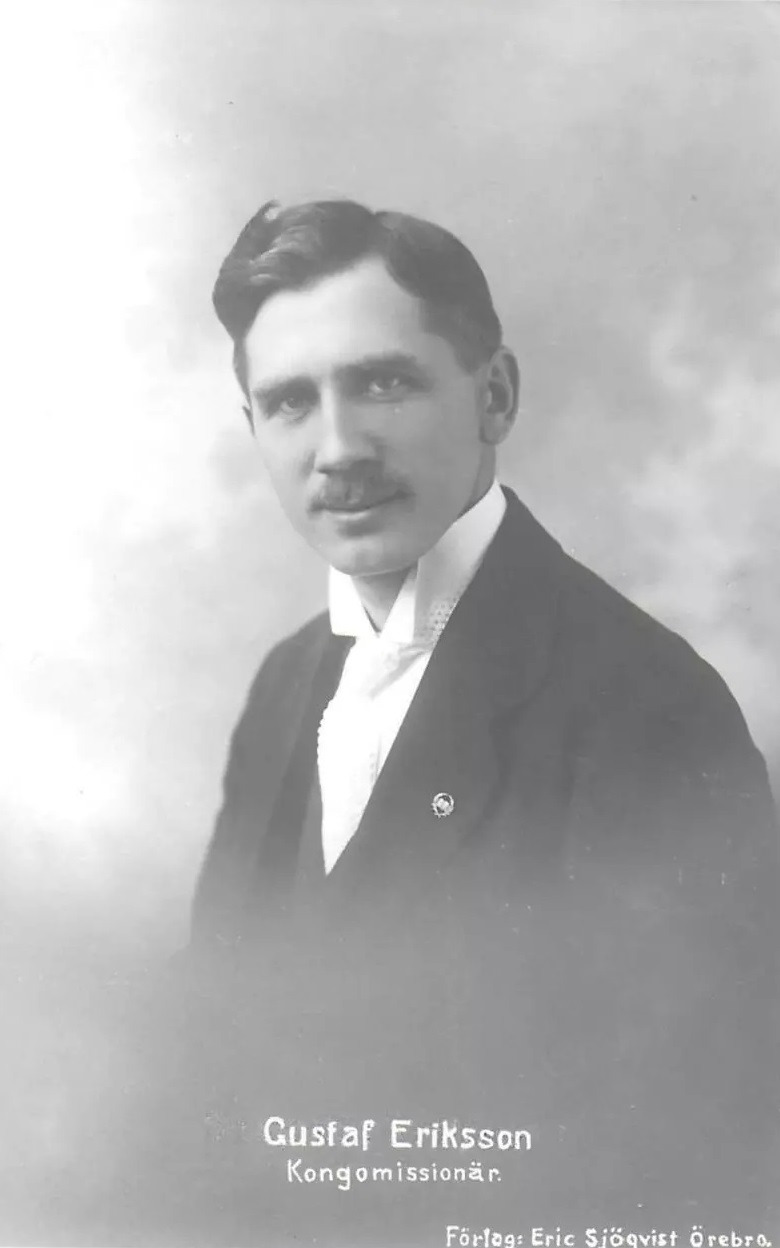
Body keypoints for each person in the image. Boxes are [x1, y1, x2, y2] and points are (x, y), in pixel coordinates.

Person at [185, 199, 778, 1232]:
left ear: (493, 396)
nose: (338, 447)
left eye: (384, 382)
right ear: (254, 431)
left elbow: (698, 1149)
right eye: (289, 402)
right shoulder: (286, 683)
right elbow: (213, 1051)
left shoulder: (646, 709)